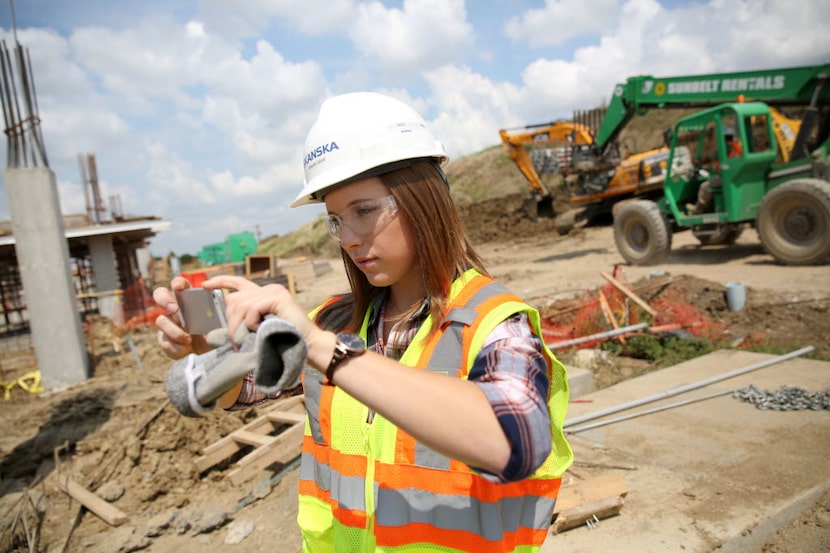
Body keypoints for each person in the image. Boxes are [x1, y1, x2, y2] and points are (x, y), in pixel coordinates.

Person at [154, 92, 572, 552]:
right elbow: (249, 387)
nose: (349, 239)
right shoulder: (336, 319)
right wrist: (215, 351)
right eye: (336, 220)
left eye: (364, 211)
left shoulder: (495, 324)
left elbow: (514, 443)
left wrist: (322, 348)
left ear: (423, 198)